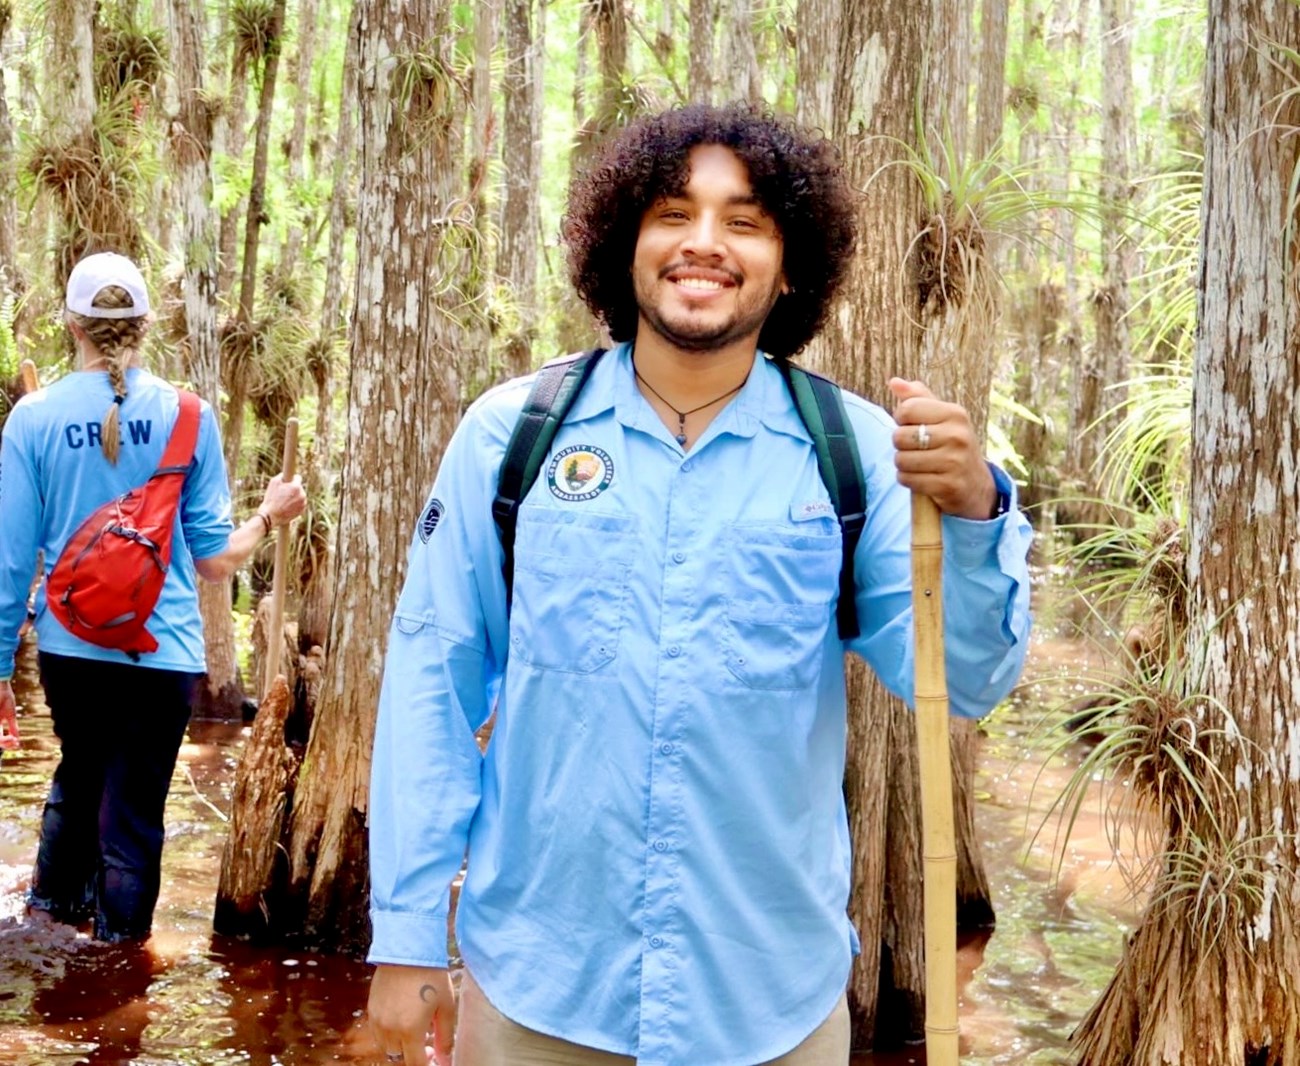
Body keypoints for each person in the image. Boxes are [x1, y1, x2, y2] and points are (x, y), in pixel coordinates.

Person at [366, 104, 1033, 1066]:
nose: (705, 245)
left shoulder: (850, 457)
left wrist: (974, 512)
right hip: (538, 998)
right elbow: (435, 682)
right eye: (674, 214)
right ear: (624, 244)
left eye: (745, 221)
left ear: (789, 262)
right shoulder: (513, 437)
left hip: (768, 1007)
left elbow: (966, 677)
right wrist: (407, 934)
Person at [0, 251, 306, 943]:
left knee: (78, 780)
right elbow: (216, 563)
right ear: (145, 326)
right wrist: (269, 515)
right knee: (134, 818)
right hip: (161, 656)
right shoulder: (187, 416)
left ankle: (48, 935)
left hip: (69, 650)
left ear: (71, 325)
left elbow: (11, 563)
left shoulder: (34, 419)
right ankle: (117, 972)